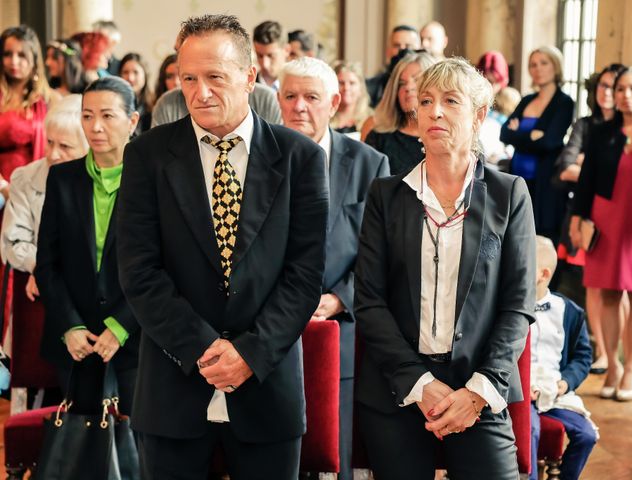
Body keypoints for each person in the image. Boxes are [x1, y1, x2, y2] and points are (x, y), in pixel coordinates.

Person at [117, 14, 329, 480]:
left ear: (251, 77)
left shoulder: (302, 160)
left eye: (215, 77)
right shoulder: (147, 156)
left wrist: (249, 355)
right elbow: (138, 270)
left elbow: (304, 276)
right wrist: (203, 349)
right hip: (173, 387)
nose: (200, 92)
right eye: (187, 78)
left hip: (267, 388)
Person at [354, 57, 536, 479]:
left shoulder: (509, 195)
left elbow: (518, 304)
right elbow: (369, 301)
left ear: (478, 116)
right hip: (397, 386)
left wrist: (477, 391)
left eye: (450, 101)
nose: (434, 111)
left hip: (480, 383)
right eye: (426, 101)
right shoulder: (385, 195)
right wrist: (419, 383)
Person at [277, 56, 389, 480]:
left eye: (311, 97)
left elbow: (382, 253)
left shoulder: (369, 164)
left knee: (335, 452)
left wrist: (339, 298)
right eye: (290, 96)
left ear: (335, 102)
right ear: (278, 99)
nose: (300, 106)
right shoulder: (258, 159)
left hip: (340, 331)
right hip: (270, 331)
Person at [35, 77, 141, 416]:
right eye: (87, 115)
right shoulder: (63, 178)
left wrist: (122, 325)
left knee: (135, 452)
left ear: (132, 121)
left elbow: (165, 265)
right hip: (75, 339)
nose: (95, 127)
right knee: (79, 447)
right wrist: (70, 325)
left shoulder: (154, 180)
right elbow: (48, 264)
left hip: (135, 337)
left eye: (108, 116)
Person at [571, 65, 632, 401]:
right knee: (609, 294)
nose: (625, 96)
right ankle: (612, 364)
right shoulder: (602, 132)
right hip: (606, 218)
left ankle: (631, 369)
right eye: (621, 89)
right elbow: (585, 181)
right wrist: (577, 218)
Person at [557, 64, 625, 374]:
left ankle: (621, 354)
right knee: (597, 286)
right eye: (604, 86)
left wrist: (588, 165)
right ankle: (601, 350)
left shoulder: (629, 128)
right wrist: (589, 166)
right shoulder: (587, 126)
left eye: (616, 87)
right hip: (592, 214)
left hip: (625, 214)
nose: (608, 93)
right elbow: (566, 167)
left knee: (626, 287)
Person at [1, 94, 88, 301]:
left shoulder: (102, 181)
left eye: (65, 146)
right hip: (38, 292)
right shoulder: (26, 177)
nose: (52, 154)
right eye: (50, 142)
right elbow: (13, 242)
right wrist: (44, 268)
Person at [529, 236, 597, 480]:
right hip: (522, 393)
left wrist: (565, 382)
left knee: (587, 435)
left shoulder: (569, 312)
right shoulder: (507, 308)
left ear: (543, 274)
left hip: (555, 392)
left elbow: (582, 356)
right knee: (530, 430)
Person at [500, 45, 574, 242]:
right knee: (516, 237)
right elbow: (504, 134)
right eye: (533, 64)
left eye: (544, 63)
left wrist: (519, 134)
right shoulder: (527, 100)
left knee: (543, 239)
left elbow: (549, 143)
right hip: (517, 179)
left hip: (545, 183)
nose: (538, 69)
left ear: (555, 66)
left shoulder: (564, 102)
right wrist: (531, 136)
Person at [0, 25, 55, 199]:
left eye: (21, 55)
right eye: (7, 54)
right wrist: (3, 187)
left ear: (34, 59)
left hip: (39, 190)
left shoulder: (49, 99)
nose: (13, 61)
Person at [364, 51, 435, 174]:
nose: (408, 87)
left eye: (416, 79)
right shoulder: (379, 139)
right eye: (401, 84)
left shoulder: (448, 136)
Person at [152, 80, 282, 126]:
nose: (203, 95)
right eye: (190, 78)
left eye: (214, 76)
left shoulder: (266, 99)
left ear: (249, 78)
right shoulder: (167, 103)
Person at [365, 25, 421, 108]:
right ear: (388, 51)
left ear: (420, 49)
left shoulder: (431, 83)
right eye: (397, 45)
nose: (402, 50)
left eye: (408, 46)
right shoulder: (371, 87)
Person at [331, 61, 372, 136]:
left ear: (361, 88)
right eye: (341, 83)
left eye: (352, 83)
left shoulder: (371, 119)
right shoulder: (324, 117)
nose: (346, 88)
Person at [119, 52, 153, 134]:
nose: (130, 78)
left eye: (135, 72)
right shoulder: (113, 104)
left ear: (145, 75)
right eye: (125, 72)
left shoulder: (156, 104)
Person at [253, 20, 290, 90]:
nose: (264, 64)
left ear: (286, 50)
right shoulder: (247, 88)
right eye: (259, 56)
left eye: (271, 56)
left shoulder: (297, 86)